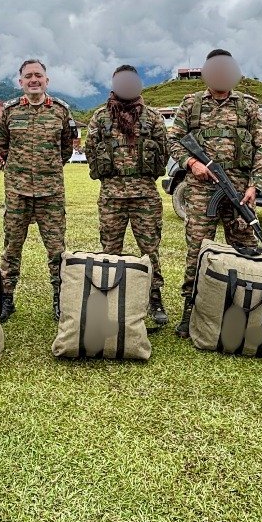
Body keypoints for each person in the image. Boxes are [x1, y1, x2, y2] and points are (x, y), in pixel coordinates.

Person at [168, 49, 262, 338]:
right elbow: (174, 140)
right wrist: (191, 163)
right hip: (201, 190)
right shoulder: (191, 104)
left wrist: (254, 186)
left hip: (238, 187)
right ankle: (191, 309)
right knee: (198, 250)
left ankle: (243, 309)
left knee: (245, 248)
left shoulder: (248, 106)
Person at [83, 65, 171, 327]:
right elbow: (90, 152)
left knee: (150, 251)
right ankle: (109, 298)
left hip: (145, 196)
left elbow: (163, 153)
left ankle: (154, 299)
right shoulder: (100, 118)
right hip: (111, 197)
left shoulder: (153, 118)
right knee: (110, 251)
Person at [0, 58, 77, 323]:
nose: (34, 80)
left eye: (38, 75)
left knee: (56, 249)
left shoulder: (61, 111)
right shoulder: (9, 111)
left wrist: (47, 170)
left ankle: (59, 297)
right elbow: (4, 148)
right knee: (12, 247)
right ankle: (6, 298)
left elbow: (66, 150)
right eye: (28, 76)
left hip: (50, 192)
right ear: (20, 82)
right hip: (17, 192)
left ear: (47, 80)